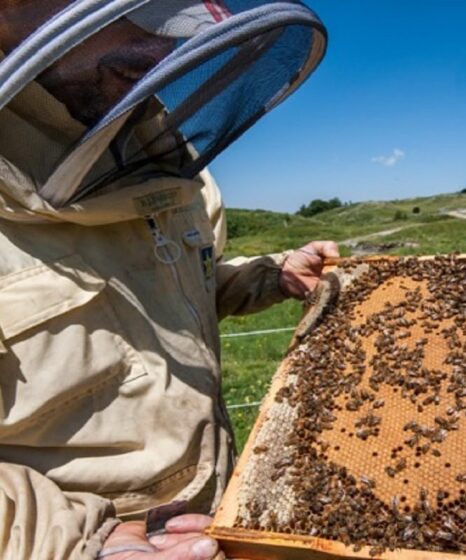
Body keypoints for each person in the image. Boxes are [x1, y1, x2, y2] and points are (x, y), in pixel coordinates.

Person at [0, 1, 334, 558]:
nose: (162, 45)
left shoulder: (171, 166)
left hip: (218, 519)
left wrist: (267, 276)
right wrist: (81, 539)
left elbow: (161, 291)